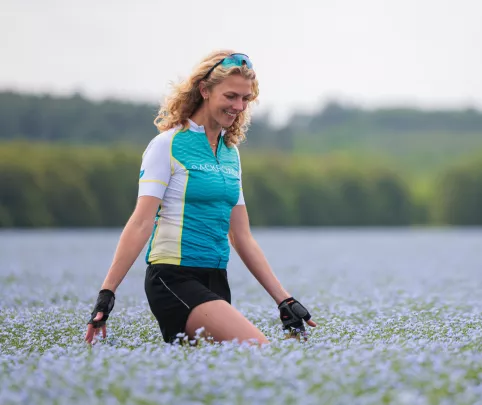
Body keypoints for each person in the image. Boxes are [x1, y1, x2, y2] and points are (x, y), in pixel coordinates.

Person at [84, 50, 316, 346]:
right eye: (231, 96)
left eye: (245, 99)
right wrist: (107, 294)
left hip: (216, 279)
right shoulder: (167, 145)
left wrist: (284, 300)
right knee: (260, 350)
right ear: (204, 90)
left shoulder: (230, 154)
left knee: (217, 385)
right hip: (173, 278)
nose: (238, 106)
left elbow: (241, 236)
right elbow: (141, 223)